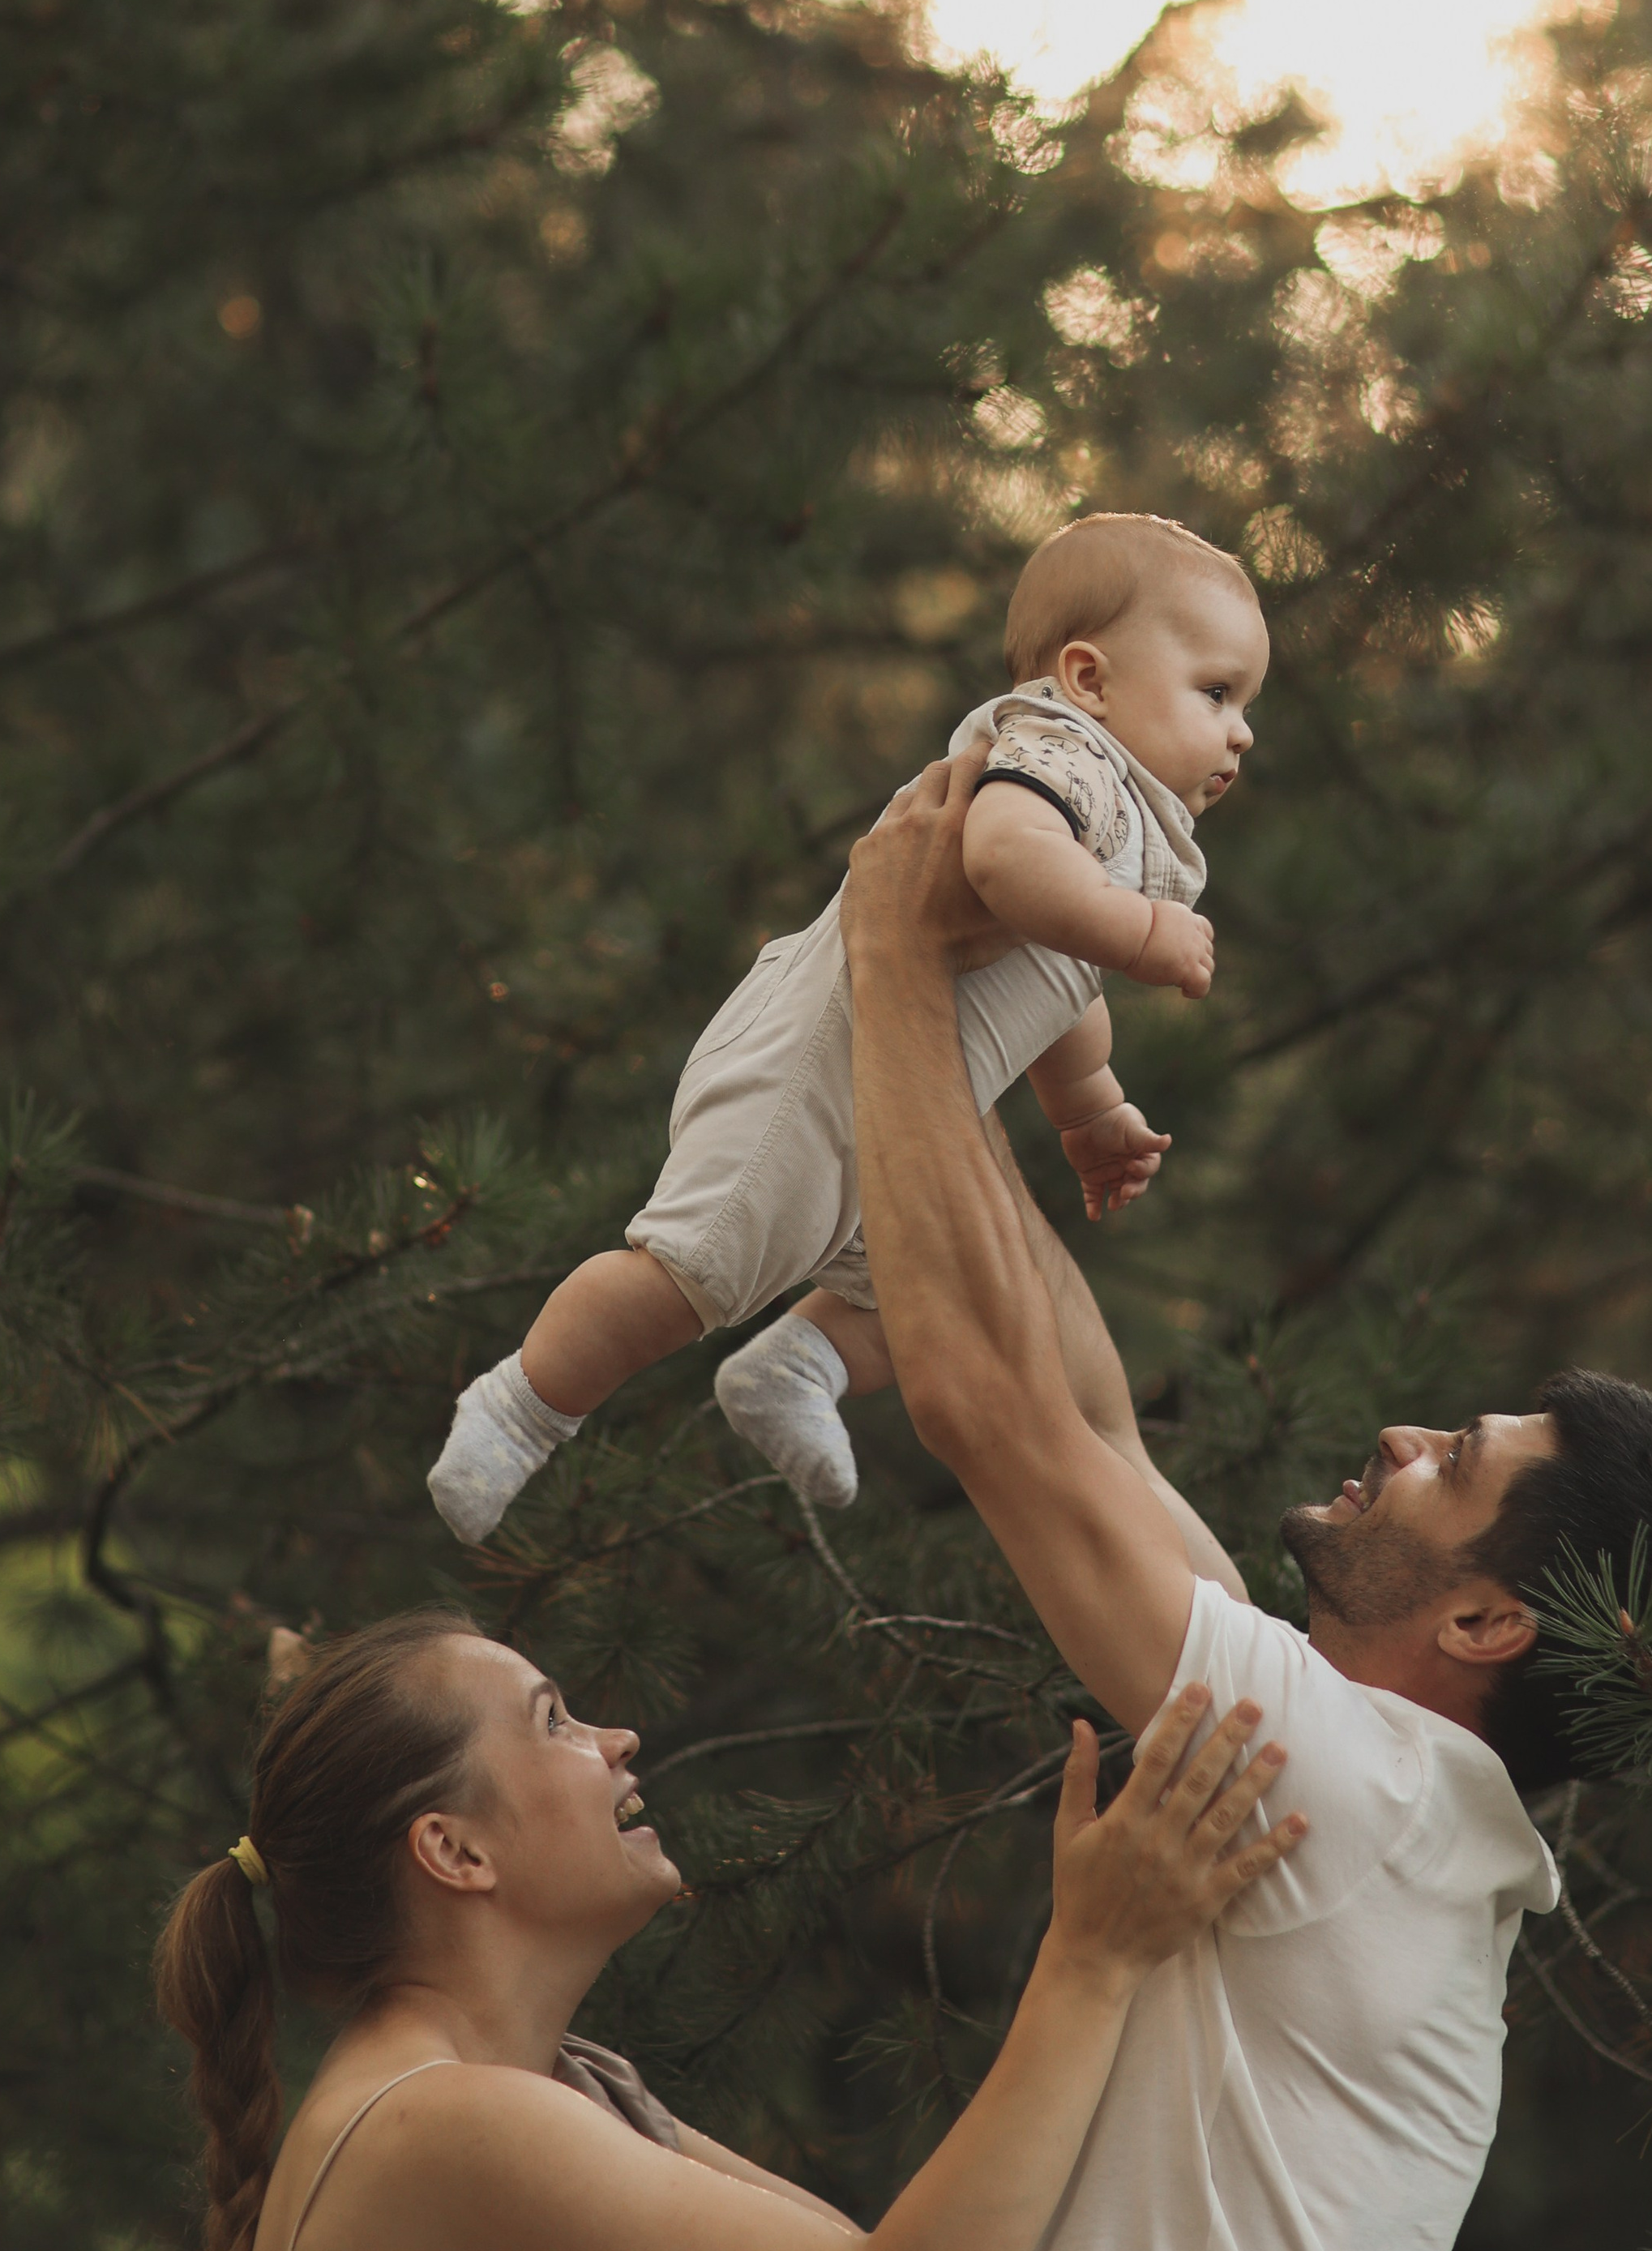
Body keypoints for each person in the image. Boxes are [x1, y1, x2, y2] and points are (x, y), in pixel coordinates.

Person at [840, 748, 1652, 2251]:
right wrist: (981, 1045)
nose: (1404, 1435)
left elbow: (984, 1411)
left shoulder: (1335, 1785)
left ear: (1486, 1620)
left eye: (1457, 1462)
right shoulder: (1381, 1795)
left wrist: (885, 959)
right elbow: (1085, 1415)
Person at [154, 1607, 1305, 2251]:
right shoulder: (443, 2123)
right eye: (554, 1720)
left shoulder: (529, 2087)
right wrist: (1092, 1955)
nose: (618, 1737)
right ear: (455, 1851)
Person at [430, 514, 1269, 1538]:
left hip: (905, 1104)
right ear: (1088, 678)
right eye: (1217, 692)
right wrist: (1141, 929)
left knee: (929, 1295)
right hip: (816, 1072)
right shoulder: (1064, 753)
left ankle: (794, 1366)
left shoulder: (1124, 818)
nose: (1241, 732)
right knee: (690, 1274)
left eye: (1246, 706)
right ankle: (523, 1405)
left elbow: (1059, 984)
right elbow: (1008, 861)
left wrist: (1091, 1111)